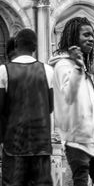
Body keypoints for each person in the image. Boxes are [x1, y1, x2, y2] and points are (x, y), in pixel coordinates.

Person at [48, 17, 94, 186]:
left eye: (92, 35)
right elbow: (68, 96)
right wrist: (77, 67)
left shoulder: (80, 67)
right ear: (74, 37)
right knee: (80, 181)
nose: (91, 39)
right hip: (76, 138)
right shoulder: (63, 66)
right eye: (86, 35)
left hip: (92, 137)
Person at [0, 29, 54, 185]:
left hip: (14, 146)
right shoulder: (48, 71)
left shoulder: (4, 71)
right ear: (35, 47)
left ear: (16, 45)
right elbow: (50, 107)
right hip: (42, 146)